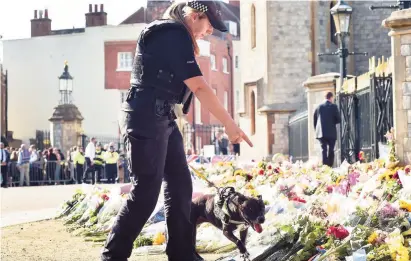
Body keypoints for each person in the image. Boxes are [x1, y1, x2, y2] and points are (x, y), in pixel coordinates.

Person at [100, 1, 253, 261]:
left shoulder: (175, 34)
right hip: (147, 116)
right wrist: (230, 124)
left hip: (161, 116)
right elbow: (200, 87)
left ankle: (181, 254)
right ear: (195, 16)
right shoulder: (173, 33)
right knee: (145, 193)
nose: (209, 33)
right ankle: (112, 257)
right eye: (208, 27)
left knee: (181, 185)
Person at [314, 91, 341, 167]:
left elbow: (315, 119)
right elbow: (338, 119)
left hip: (321, 133)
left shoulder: (319, 107)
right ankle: (330, 165)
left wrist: (316, 130)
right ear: (331, 97)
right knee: (331, 149)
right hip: (331, 132)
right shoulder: (334, 106)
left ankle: (325, 166)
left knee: (324, 149)